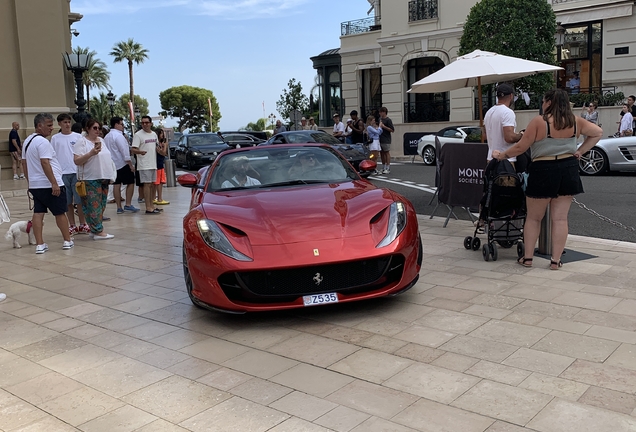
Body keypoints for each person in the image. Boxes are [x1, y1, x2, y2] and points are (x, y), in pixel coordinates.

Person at [492, 89, 602, 270]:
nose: (542, 104)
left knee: (534, 218)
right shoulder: (575, 121)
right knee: (560, 219)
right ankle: (555, 260)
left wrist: (501, 155)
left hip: (542, 169)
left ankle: (527, 259)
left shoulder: (539, 122)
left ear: (549, 102)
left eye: (543, 101)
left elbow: (520, 147)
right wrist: (580, 151)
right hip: (568, 169)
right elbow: (598, 132)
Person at [21, 113, 74, 253]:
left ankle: (40, 244)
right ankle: (67, 240)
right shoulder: (43, 142)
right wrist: (54, 183)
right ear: (40, 125)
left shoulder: (27, 141)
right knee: (60, 212)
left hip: (36, 185)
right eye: (49, 125)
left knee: (38, 213)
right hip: (49, 184)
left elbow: (24, 163)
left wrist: (30, 181)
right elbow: (45, 162)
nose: (52, 128)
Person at [73, 119, 116, 240]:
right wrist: (91, 153)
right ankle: (98, 230)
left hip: (104, 177)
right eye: (95, 128)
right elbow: (77, 161)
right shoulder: (82, 142)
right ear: (88, 128)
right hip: (90, 178)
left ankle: (94, 228)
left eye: (99, 128)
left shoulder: (101, 140)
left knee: (101, 204)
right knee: (93, 205)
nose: (98, 130)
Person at [50, 113, 90, 235]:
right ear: (59, 124)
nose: (67, 124)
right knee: (67, 201)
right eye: (64, 122)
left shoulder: (78, 137)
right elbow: (53, 156)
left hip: (76, 172)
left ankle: (83, 223)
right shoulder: (55, 138)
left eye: (68, 122)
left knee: (80, 199)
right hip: (63, 173)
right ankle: (72, 224)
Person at [104, 116, 139, 214]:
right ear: (116, 125)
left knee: (116, 185)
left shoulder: (107, 137)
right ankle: (128, 204)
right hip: (122, 163)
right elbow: (124, 151)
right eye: (121, 124)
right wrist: (130, 165)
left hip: (112, 164)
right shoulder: (119, 136)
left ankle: (119, 207)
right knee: (130, 183)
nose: (123, 126)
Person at [483, 84, 524, 164]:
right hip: (505, 160)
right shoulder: (508, 112)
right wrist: (521, 135)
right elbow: (509, 138)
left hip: (490, 159)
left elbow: (484, 136)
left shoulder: (489, 112)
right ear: (511, 96)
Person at [132, 116, 161, 214]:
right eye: (143, 123)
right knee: (147, 185)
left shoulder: (154, 134)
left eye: (146, 122)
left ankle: (152, 205)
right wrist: (140, 152)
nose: (144, 124)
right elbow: (133, 149)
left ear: (151, 123)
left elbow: (156, 146)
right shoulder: (138, 135)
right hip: (144, 164)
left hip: (153, 163)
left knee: (153, 184)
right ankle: (148, 207)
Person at [153, 129, 170, 205]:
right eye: (161, 134)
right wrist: (165, 146)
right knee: (159, 182)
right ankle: (159, 198)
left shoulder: (159, 143)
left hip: (159, 163)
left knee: (158, 182)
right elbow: (163, 153)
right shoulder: (158, 144)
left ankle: (154, 197)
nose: (162, 135)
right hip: (158, 164)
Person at [378, 107, 394, 174]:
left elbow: (392, 130)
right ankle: (383, 166)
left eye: (381, 112)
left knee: (386, 152)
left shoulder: (388, 120)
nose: (380, 113)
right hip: (380, 138)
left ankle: (388, 167)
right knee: (381, 153)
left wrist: (384, 127)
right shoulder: (380, 119)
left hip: (386, 138)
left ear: (384, 112)